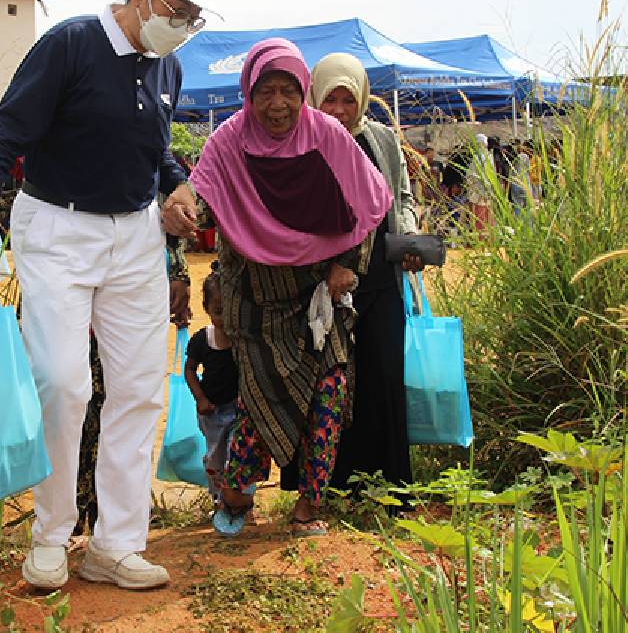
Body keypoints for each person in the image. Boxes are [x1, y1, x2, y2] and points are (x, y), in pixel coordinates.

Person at [0, 0, 217, 590]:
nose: (183, 27)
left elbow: (154, 152)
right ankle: (49, 537)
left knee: (138, 390)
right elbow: (7, 132)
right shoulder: (70, 45)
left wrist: (176, 186)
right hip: (58, 230)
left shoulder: (167, 67)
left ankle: (116, 545)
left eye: (195, 19)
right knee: (65, 384)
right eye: (176, 11)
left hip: (135, 236)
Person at [189, 38, 392, 538]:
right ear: (248, 94)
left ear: (304, 92)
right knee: (262, 401)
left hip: (317, 295)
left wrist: (348, 262)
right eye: (265, 92)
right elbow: (199, 196)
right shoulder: (229, 139)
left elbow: (371, 202)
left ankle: (309, 508)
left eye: (288, 91)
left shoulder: (325, 134)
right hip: (255, 298)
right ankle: (236, 493)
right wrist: (180, 217)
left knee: (328, 395)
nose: (277, 104)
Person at [305, 53, 422, 501]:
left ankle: (391, 487)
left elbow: (403, 196)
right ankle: (332, 487)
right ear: (314, 97)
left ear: (362, 101)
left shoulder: (383, 140)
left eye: (346, 100)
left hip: (381, 281)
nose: (337, 109)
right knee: (334, 383)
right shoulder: (305, 141)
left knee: (384, 377)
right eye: (329, 99)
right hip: (328, 283)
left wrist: (408, 234)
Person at [73, 236, 191, 544]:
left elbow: (162, 205)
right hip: (73, 306)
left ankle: (115, 521)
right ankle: (70, 517)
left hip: (126, 306)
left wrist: (178, 272)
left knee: (127, 408)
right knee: (72, 412)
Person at [182, 263, 239, 507]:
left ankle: (242, 501)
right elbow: (189, 370)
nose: (224, 319)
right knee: (216, 457)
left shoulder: (241, 340)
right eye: (218, 311)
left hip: (238, 409)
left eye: (230, 311)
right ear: (206, 309)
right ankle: (219, 499)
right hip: (212, 413)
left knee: (238, 454)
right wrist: (200, 399)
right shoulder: (202, 340)